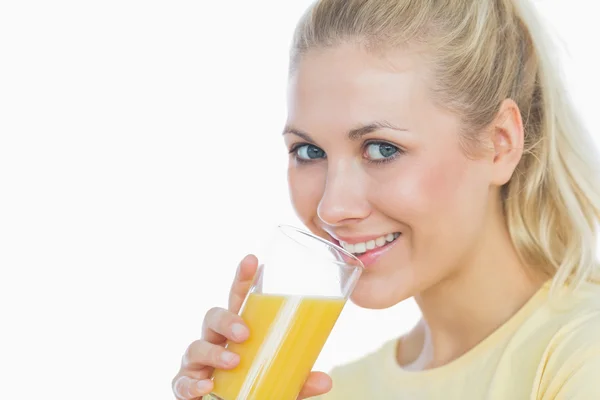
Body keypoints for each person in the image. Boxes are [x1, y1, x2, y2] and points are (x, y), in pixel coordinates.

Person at [172, 0, 600, 398]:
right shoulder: (337, 389)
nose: (331, 208)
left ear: (500, 144)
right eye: (309, 152)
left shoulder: (582, 355)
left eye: (382, 149)